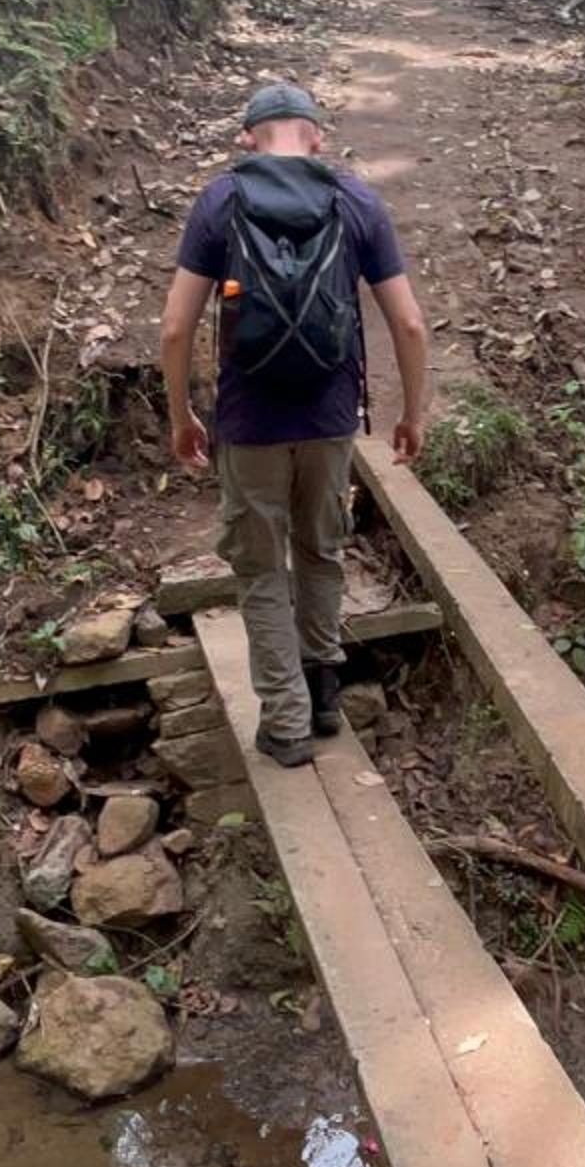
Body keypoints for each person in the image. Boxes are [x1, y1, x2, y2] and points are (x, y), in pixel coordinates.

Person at [160, 79, 430, 767]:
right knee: (320, 550)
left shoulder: (221, 200)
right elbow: (409, 323)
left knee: (259, 569)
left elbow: (174, 329)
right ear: (316, 137)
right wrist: (412, 414)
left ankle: (286, 723)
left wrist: (182, 415)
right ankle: (325, 693)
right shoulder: (355, 200)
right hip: (329, 416)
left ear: (248, 138)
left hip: (249, 422)